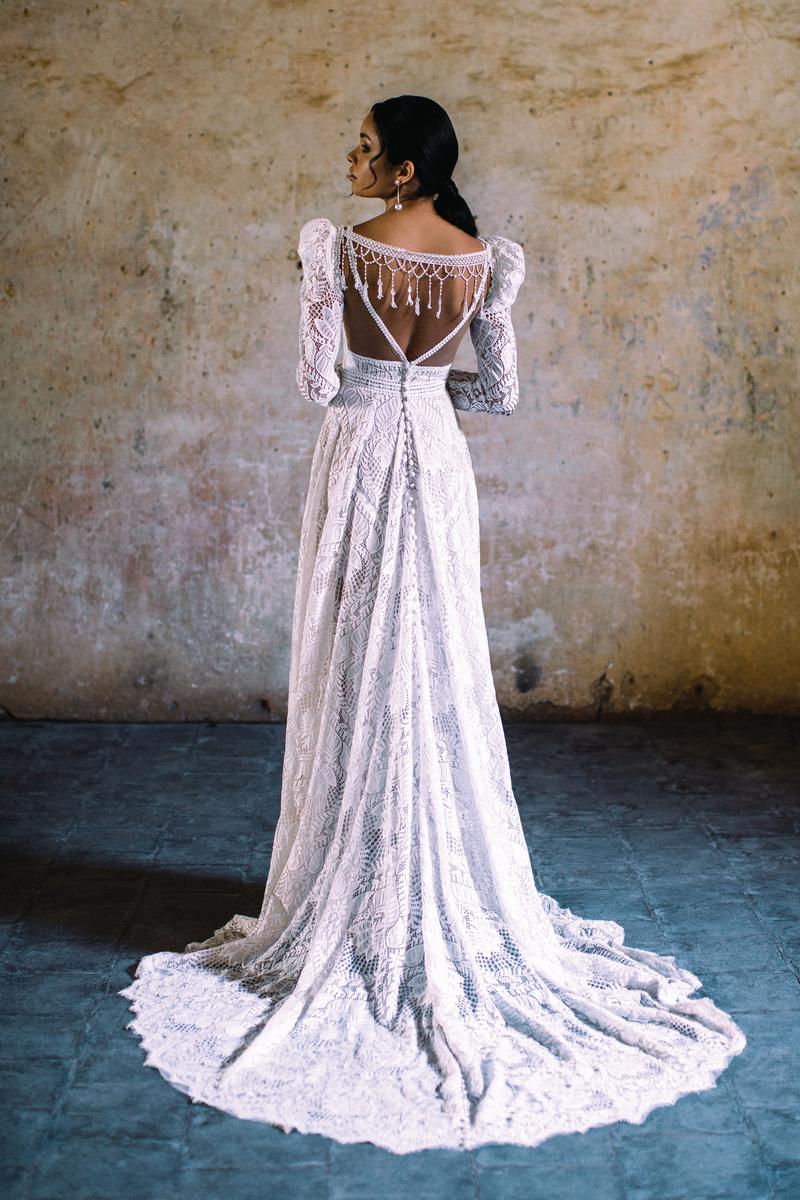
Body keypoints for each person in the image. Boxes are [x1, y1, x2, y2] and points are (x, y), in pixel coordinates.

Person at [121, 95, 746, 1155]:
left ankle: (349, 880)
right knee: (433, 655)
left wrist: (362, 356)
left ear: (405, 169)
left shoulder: (338, 247)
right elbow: (495, 394)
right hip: (433, 452)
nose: (352, 157)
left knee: (357, 656)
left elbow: (315, 380)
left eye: (367, 147)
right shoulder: (481, 259)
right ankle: (421, 877)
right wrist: (426, 381)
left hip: (362, 446)